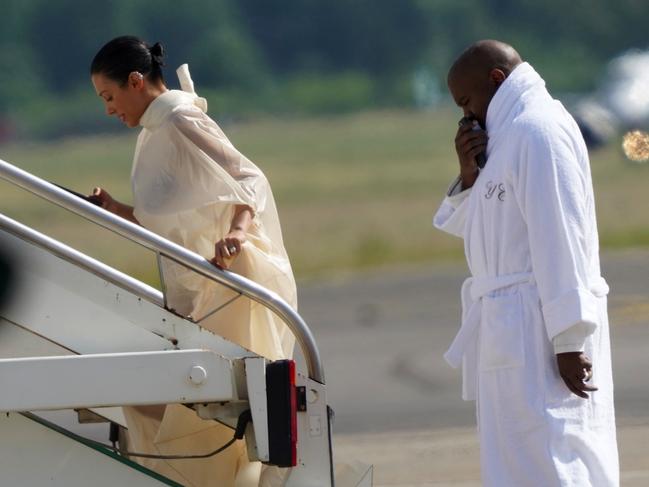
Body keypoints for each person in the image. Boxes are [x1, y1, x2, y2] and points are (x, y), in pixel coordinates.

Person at [90, 36, 296, 487]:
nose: (108, 109)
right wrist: (117, 209)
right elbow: (167, 219)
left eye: (109, 96)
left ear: (136, 81)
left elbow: (248, 178)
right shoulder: (155, 131)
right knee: (183, 405)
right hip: (199, 286)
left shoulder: (180, 119)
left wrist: (237, 235)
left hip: (229, 281)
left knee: (201, 407)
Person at [433, 40, 618, 486]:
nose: (466, 116)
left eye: (467, 101)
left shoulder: (538, 130)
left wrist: (570, 337)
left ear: (497, 81)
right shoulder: (507, 136)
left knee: (558, 455)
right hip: (512, 328)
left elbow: (561, 234)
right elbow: (485, 231)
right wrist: (470, 173)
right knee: (519, 461)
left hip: (542, 330)